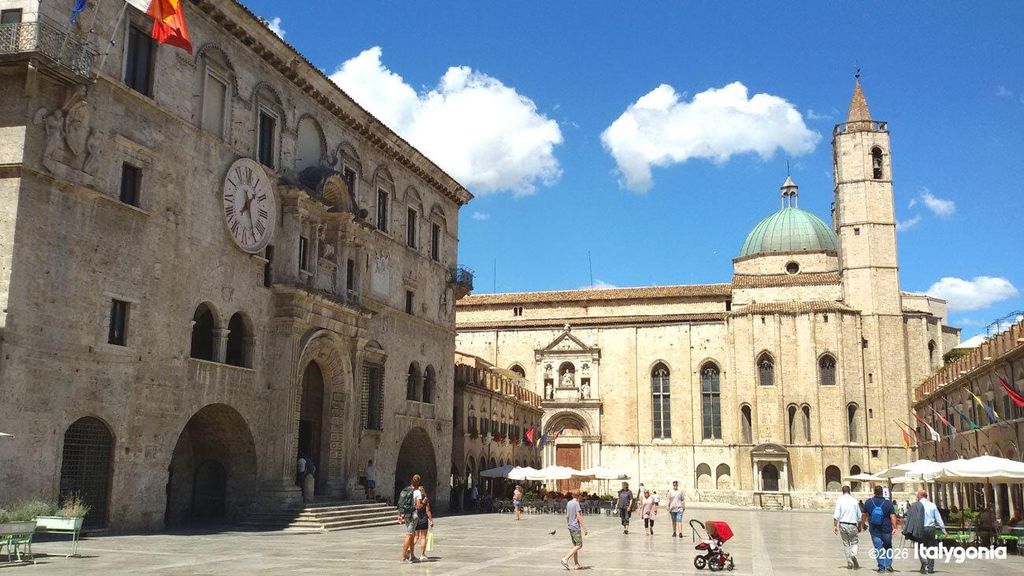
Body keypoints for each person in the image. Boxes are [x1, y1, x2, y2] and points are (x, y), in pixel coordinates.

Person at [861, 485, 897, 573]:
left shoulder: (869, 502)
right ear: (882, 492)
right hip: (887, 528)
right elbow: (892, 516)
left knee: (878, 548)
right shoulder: (888, 503)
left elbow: (864, 515)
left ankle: (881, 567)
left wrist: (862, 524)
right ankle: (888, 565)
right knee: (888, 546)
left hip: (874, 529)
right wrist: (895, 527)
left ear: (874, 492)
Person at [917, 490, 946, 574]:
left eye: (917, 495)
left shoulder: (917, 505)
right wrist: (943, 530)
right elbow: (938, 519)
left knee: (920, 547)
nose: (917, 497)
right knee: (931, 547)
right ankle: (930, 568)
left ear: (921, 496)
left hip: (921, 528)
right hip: (931, 528)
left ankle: (923, 561)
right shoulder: (932, 505)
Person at [833, 485, 862, 570]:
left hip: (842, 524)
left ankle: (849, 563)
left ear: (842, 491)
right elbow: (859, 516)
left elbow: (836, 515)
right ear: (850, 491)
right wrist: (859, 527)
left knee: (846, 544)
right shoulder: (854, 501)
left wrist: (835, 526)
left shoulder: (839, 500)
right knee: (854, 542)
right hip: (853, 525)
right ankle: (853, 554)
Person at [397, 474, 424, 563]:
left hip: (406, 515)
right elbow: (418, 505)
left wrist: (400, 514)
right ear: (418, 482)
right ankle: (403, 557)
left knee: (412, 535)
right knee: (409, 534)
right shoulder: (417, 492)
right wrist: (423, 502)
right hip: (413, 516)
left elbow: (401, 503)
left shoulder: (405, 490)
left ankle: (412, 556)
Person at [560, 491, 587, 570]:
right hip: (575, 527)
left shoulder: (569, 503)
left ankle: (576, 564)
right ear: (579, 496)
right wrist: (584, 528)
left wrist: (568, 524)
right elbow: (578, 516)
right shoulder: (576, 503)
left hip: (570, 526)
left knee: (575, 545)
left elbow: (567, 515)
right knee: (579, 545)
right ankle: (565, 558)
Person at [414, 485, 435, 561]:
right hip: (423, 520)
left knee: (416, 536)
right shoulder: (425, 499)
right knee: (423, 537)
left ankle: (409, 550)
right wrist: (431, 520)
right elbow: (428, 511)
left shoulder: (415, 499)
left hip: (416, 519)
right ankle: (422, 555)